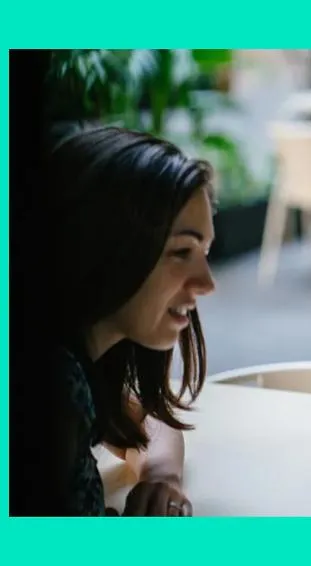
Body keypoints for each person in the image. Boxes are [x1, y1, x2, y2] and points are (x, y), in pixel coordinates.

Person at [14, 125, 216, 516]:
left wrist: (161, 480)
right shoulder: (54, 384)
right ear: (109, 246)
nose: (207, 282)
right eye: (181, 252)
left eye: (205, 251)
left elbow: (146, 422)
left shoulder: (76, 368)